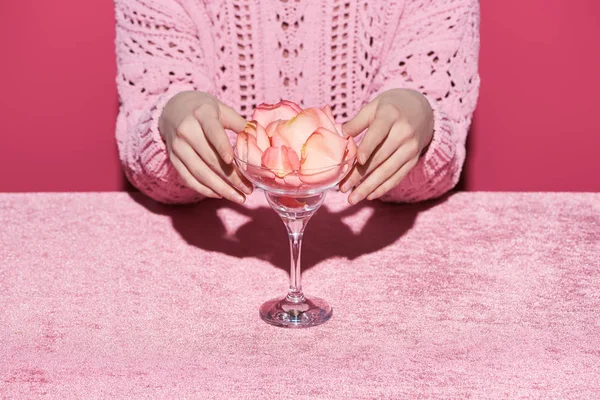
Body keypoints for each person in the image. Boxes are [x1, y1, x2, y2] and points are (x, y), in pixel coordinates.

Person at [114, 0, 480, 205]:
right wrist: (168, 118)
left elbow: (432, 180)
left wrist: (423, 119)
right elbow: (150, 176)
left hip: (383, 267)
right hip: (204, 270)